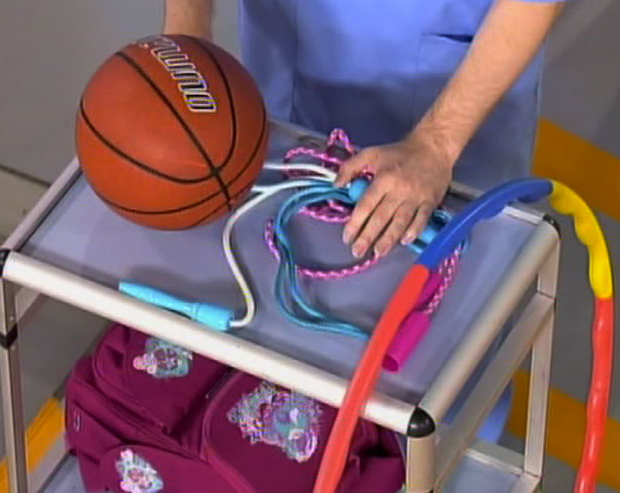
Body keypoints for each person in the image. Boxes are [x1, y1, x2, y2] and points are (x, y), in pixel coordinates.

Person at [162, 0, 565, 442]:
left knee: (436, 378)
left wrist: (438, 142)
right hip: (288, 73)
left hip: (446, 105)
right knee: (275, 315)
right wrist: (187, 40)